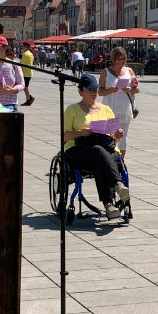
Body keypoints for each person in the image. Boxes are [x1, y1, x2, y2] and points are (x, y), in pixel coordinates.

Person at [63, 74, 129, 219]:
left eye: (95, 90)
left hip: (103, 151)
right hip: (78, 150)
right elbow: (65, 136)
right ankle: (117, 184)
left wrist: (117, 134)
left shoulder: (106, 109)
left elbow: (113, 138)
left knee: (99, 158)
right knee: (98, 152)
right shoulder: (72, 110)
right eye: (90, 90)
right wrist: (81, 133)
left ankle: (109, 206)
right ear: (80, 91)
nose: (94, 93)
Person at [99, 47, 140, 158]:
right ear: (113, 59)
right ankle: (109, 160)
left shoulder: (129, 71)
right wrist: (110, 90)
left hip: (124, 108)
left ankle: (121, 162)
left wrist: (130, 89)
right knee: (110, 136)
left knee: (123, 136)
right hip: (110, 109)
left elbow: (137, 89)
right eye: (117, 59)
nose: (119, 62)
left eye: (122, 59)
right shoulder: (105, 72)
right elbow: (100, 92)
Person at [20, 41, 36, 106]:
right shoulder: (30, 54)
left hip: (25, 73)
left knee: (25, 87)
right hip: (29, 72)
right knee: (25, 87)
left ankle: (28, 100)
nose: (22, 48)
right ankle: (29, 98)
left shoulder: (25, 54)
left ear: (26, 47)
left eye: (22, 47)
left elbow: (22, 64)